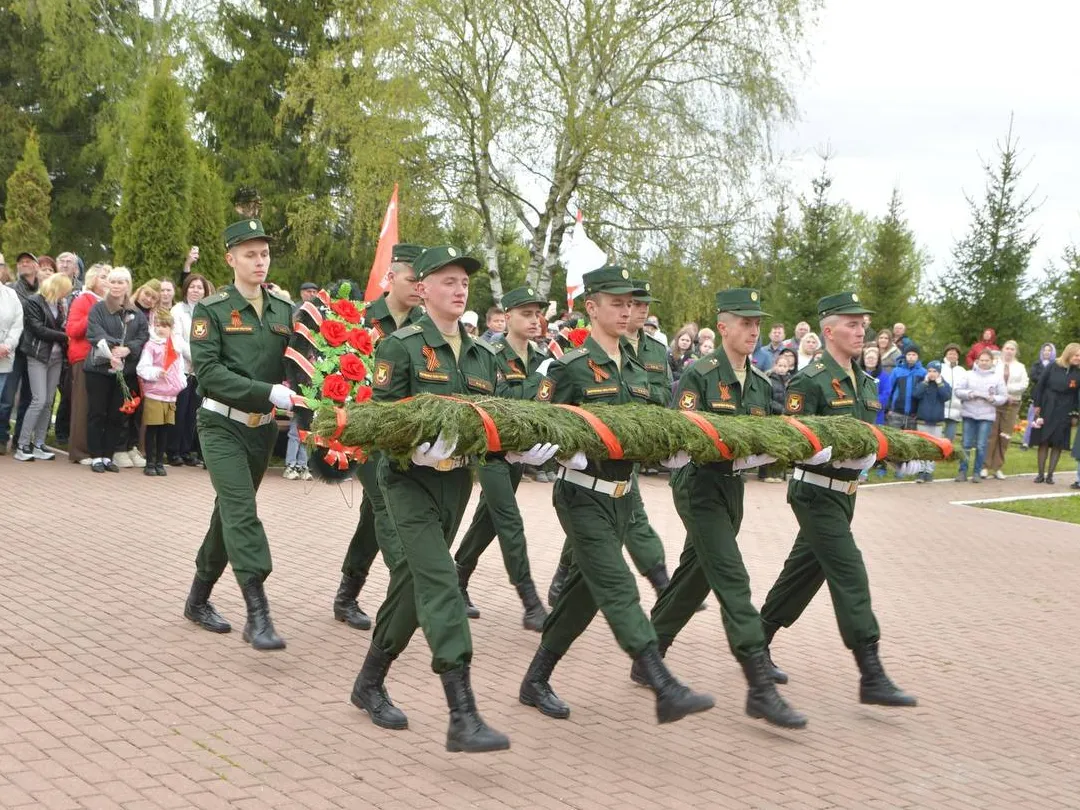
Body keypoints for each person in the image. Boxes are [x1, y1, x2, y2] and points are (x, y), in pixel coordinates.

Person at [518, 265, 714, 727]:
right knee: (618, 585)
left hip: (624, 497)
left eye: (631, 303)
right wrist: (561, 453)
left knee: (584, 595)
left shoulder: (640, 364)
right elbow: (532, 426)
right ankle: (663, 684)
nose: (627, 311)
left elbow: (654, 424)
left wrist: (669, 453)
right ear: (591, 307)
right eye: (616, 303)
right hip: (582, 495)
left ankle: (535, 679)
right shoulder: (570, 367)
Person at [349, 245, 509, 753]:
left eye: (464, 283)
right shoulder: (401, 347)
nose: (459, 290)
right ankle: (463, 713)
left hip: (456, 483)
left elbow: (495, 419)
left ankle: (369, 682)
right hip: (407, 482)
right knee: (441, 581)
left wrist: (520, 448)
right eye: (448, 281)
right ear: (423, 288)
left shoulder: (484, 355)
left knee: (412, 583)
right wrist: (414, 446)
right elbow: (379, 420)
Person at [641, 288, 806, 727]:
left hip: (733, 489)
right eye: (745, 323)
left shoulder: (762, 382)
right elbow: (683, 432)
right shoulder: (700, 375)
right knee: (732, 577)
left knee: (697, 575)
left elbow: (766, 434)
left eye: (758, 324)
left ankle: (649, 652)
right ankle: (759, 686)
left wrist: (771, 452)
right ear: (723, 327)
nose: (753, 331)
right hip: (698, 484)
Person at [760, 291, 917, 709]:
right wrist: (829, 452)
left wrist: (881, 451)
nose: (861, 330)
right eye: (851, 324)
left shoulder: (864, 382)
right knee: (849, 571)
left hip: (846, 495)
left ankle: (757, 639)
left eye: (862, 324)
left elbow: (870, 434)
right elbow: (793, 438)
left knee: (804, 572)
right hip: (815, 491)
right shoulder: (809, 380)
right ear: (828, 331)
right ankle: (871, 673)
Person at [183, 219, 294, 651]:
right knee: (242, 511)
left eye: (264, 253)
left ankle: (198, 599)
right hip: (221, 425)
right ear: (231, 259)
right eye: (250, 254)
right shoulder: (212, 310)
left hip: (261, 431)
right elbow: (209, 373)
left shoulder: (283, 310)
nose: (259, 261)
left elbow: (300, 364)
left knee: (228, 514)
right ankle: (258, 613)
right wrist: (267, 392)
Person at [318, 243, 426, 631]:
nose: (418, 287)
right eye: (412, 279)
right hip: (364, 433)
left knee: (372, 516)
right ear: (391, 277)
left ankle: (347, 594)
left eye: (423, 281)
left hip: (404, 436)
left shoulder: (425, 327)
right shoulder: (360, 319)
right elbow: (333, 370)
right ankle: (410, 587)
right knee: (385, 501)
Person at [454, 285, 556, 631]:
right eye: (526, 314)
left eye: (537, 314)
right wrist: (538, 382)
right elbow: (501, 402)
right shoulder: (490, 354)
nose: (534, 320)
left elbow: (544, 406)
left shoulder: (540, 357)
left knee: (488, 520)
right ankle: (530, 602)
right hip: (492, 451)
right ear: (507, 317)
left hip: (521, 452)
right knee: (509, 521)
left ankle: (458, 579)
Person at [84, 267, 149, 473]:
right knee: (97, 413)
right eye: (113, 281)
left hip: (124, 371)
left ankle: (107, 456)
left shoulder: (136, 313)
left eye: (121, 282)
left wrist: (128, 349)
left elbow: (143, 336)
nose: (116, 286)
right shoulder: (98, 309)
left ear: (128, 285)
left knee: (116, 415)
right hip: (99, 369)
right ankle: (96, 456)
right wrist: (115, 348)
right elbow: (94, 333)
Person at [13, 274, 71, 461]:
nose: (66, 294)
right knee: (39, 400)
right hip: (38, 355)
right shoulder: (34, 302)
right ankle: (22, 444)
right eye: (64, 290)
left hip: (56, 357)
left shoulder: (60, 305)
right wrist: (65, 336)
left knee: (48, 402)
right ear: (56, 287)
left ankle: (39, 443)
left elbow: (61, 326)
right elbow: (38, 329)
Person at [65, 264, 110, 464]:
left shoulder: (111, 303)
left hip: (105, 360)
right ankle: (79, 451)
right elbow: (72, 330)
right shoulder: (84, 300)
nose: (107, 281)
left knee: (98, 408)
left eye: (109, 277)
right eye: (103, 276)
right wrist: (94, 313)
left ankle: (97, 449)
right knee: (82, 405)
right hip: (85, 358)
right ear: (93, 279)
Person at [168, 273, 214, 466]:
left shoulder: (207, 312)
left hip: (199, 371)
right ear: (186, 289)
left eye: (200, 287)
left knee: (192, 414)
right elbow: (176, 339)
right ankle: (173, 451)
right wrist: (196, 357)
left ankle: (186, 451)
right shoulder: (178, 310)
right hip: (182, 369)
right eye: (192, 286)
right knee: (179, 411)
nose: (196, 290)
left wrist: (204, 360)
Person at [136, 308, 187, 476]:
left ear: (171, 328)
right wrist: (157, 372)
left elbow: (180, 369)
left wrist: (181, 383)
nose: (160, 329)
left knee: (165, 429)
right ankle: (149, 462)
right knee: (153, 428)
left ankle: (159, 461)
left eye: (164, 326)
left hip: (170, 395)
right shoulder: (151, 346)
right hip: (155, 392)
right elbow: (142, 368)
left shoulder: (175, 347)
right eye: (157, 325)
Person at [0, 252, 39, 454]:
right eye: (21, 262)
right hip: (14, 351)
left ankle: (17, 439)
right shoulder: (13, 288)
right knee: (6, 399)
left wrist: (7, 344)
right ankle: (2, 436)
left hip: (28, 351)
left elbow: (18, 322)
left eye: (28, 261)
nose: (24, 264)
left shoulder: (42, 289)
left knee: (26, 398)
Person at [1028, 343, 1080, 484]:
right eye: (1076, 355)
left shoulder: (1077, 372)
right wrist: (1037, 404)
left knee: (1058, 442)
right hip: (1048, 405)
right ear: (1069, 354)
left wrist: (1075, 414)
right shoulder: (1053, 366)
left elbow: (1077, 395)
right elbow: (1040, 385)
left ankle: (1050, 475)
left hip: (1065, 409)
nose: (1079, 358)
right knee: (1044, 441)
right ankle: (1040, 474)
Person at [953, 349, 1006, 483]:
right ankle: (962, 471)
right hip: (969, 413)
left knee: (981, 445)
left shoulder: (997, 377)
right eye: (981, 360)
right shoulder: (968, 374)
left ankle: (977, 472)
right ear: (977, 361)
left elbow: (1003, 396)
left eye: (987, 360)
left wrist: (993, 399)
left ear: (992, 361)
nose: (984, 363)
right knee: (966, 444)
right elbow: (957, 391)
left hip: (986, 416)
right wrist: (969, 394)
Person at [983, 340, 1028, 479]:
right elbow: (989, 380)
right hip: (995, 403)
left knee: (1005, 436)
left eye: (1012, 349)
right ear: (1003, 349)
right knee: (991, 434)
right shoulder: (995, 364)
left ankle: (997, 467)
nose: (1009, 351)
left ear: (1016, 352)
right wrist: (1002, 393)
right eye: (1007, 348)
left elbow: (1024, 384)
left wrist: (1007, 391)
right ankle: (985, 466)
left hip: (1012, 404)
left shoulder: (1020, 367)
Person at [759, 347, 797, 483]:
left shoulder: (791, 381)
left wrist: (789, 410)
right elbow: (766, 399)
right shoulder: (769, 379)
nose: (782, 368)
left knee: (782, 446)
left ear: (789, 368)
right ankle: (766, 473)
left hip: (785, 418)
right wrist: (780, 409)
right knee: (770, 445)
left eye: (784, 366)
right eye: (780, 365)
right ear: (775, 365)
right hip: (772, 417)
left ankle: (778, 473)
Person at [911, 361, 951, 483]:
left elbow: (946, 396)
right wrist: (925, 382)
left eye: (935, 371)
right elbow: (916, 394)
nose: (932, 374)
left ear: (939, 373)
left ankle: (929, 471)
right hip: (922, 421)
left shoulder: (944, 384)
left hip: (937, 422)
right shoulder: (922, 383)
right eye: (930, 371)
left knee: (934, 447)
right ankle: (921, 471)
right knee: (922, 446)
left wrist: (939, 384)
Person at [0, 260, 24, 411]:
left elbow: (17, 323)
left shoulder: (11, 294)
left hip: (3, 358)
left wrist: (7, 345)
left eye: (0, 265)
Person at [1023, 343, 1056, 449]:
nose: (1046, 352)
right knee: (1031, 417)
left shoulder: (1055, 365)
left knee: (1045, 419)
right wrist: (1044, 379)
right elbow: (1033, 376)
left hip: (1050, 396)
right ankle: (1026, 441)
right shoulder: (1037, 364)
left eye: (1049, 350)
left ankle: (1041, 441)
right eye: (1045, 350)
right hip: (1037, 394)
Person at [886, 345, 926, 431]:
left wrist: (919, 413)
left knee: (910, 438)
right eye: (909, 354)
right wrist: (888, 408)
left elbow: (924, 394)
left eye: (914, 355)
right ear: (905, 356)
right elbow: (889, 390)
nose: (911, 357)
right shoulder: (897, 371)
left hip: (913, 415)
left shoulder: (923, 372)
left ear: (918, 356)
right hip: (896, 412)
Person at [940, 344, 967, 442]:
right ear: (946, 355)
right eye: (950, 353)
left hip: (956, 407)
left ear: (958, 356)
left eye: (955, 354)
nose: (952, 356)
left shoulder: (962, 371)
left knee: (949, 437)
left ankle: (947, 449)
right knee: (937, 434)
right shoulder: (940, 367)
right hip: (940, 405)